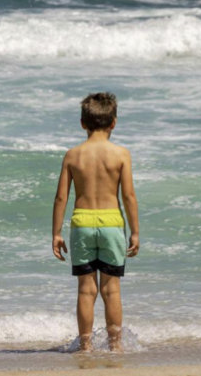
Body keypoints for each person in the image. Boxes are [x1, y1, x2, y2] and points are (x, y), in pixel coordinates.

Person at [52, 92, 139, 353]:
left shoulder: (72, 155)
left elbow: (61, 197)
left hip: (82, 224)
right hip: (112, 223)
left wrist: (56, 233)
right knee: (111, 290)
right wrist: (135, 231)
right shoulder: (121, 154)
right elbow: (129, 195)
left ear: (82, 123)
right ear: (114, 122)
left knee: (86, 290)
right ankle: (115, 347)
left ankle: (86, 346)